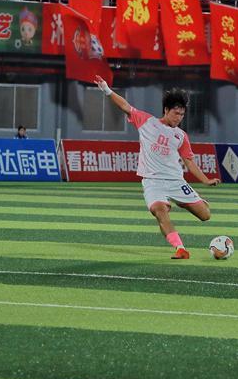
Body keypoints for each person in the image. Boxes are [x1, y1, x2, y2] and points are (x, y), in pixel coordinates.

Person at [94, 76, 220, 259]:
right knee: (160, 211)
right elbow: (125, 106)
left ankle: (191, 200)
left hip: (176, 181)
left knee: (205, 215)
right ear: (166, 110)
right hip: (153, 182)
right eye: (176, 113)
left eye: (182, 114)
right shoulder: (147, 121)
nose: (179, 118)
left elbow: (189, 161)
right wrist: (106, 89)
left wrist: (206, 180)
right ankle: (180, 248)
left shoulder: (181, 136)